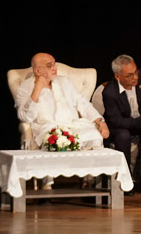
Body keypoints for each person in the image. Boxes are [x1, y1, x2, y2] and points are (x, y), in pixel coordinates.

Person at [15, 53, 110, 186]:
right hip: (46, 127)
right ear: (38, 70)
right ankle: (47, 184)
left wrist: (100, 121)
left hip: (72, 126)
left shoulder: (64, 82)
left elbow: (82, 103)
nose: (55, 68)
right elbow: (25, 116)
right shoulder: (25, 87)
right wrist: (37, 88)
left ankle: (90, 181)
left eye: (54, 64)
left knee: (95, 136)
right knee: (51, 140)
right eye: (49, 66)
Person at [101, 54, 141, 189]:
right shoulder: (109, 92)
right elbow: (116, 120)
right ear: (118, 76)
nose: (135, 77)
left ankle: (140, 174)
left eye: (136, 72)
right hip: (121, 127)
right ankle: (125, 180)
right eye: (130, 75)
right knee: (123, 136)